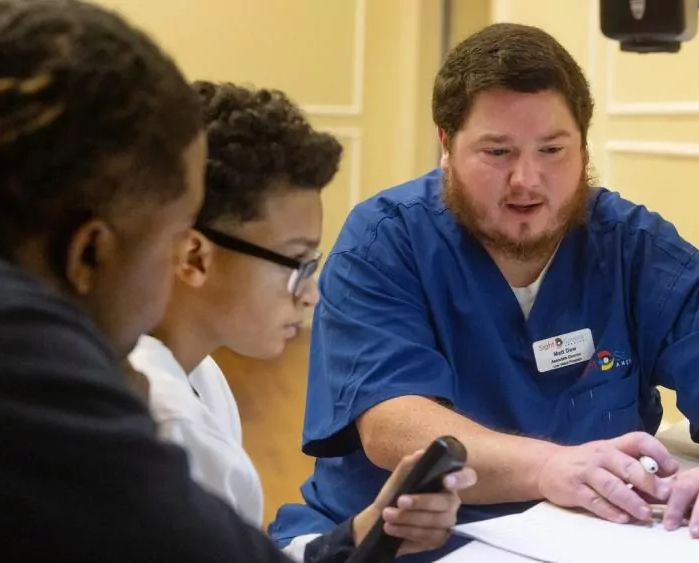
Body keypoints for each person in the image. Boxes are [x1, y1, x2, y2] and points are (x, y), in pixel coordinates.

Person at [0, 2, 467, 562]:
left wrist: (356, 537)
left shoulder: (187, 376)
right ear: (89, 252)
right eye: (172, 233)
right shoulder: (35, 372)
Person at [270, 22, 699, 561]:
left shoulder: (629, 244)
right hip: (408, 546)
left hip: (584, 541)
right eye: (497, 152)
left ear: (583, 146)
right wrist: (551, 467)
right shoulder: (385, 242)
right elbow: (392, 423)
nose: (526, 180)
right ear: (446, 144)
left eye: (552, 149)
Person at [127, 80, 477, 559]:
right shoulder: (162, 424)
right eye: (297, 264)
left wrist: (365, 533)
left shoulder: (198, 374)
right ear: (194, 257)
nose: (311, 295)